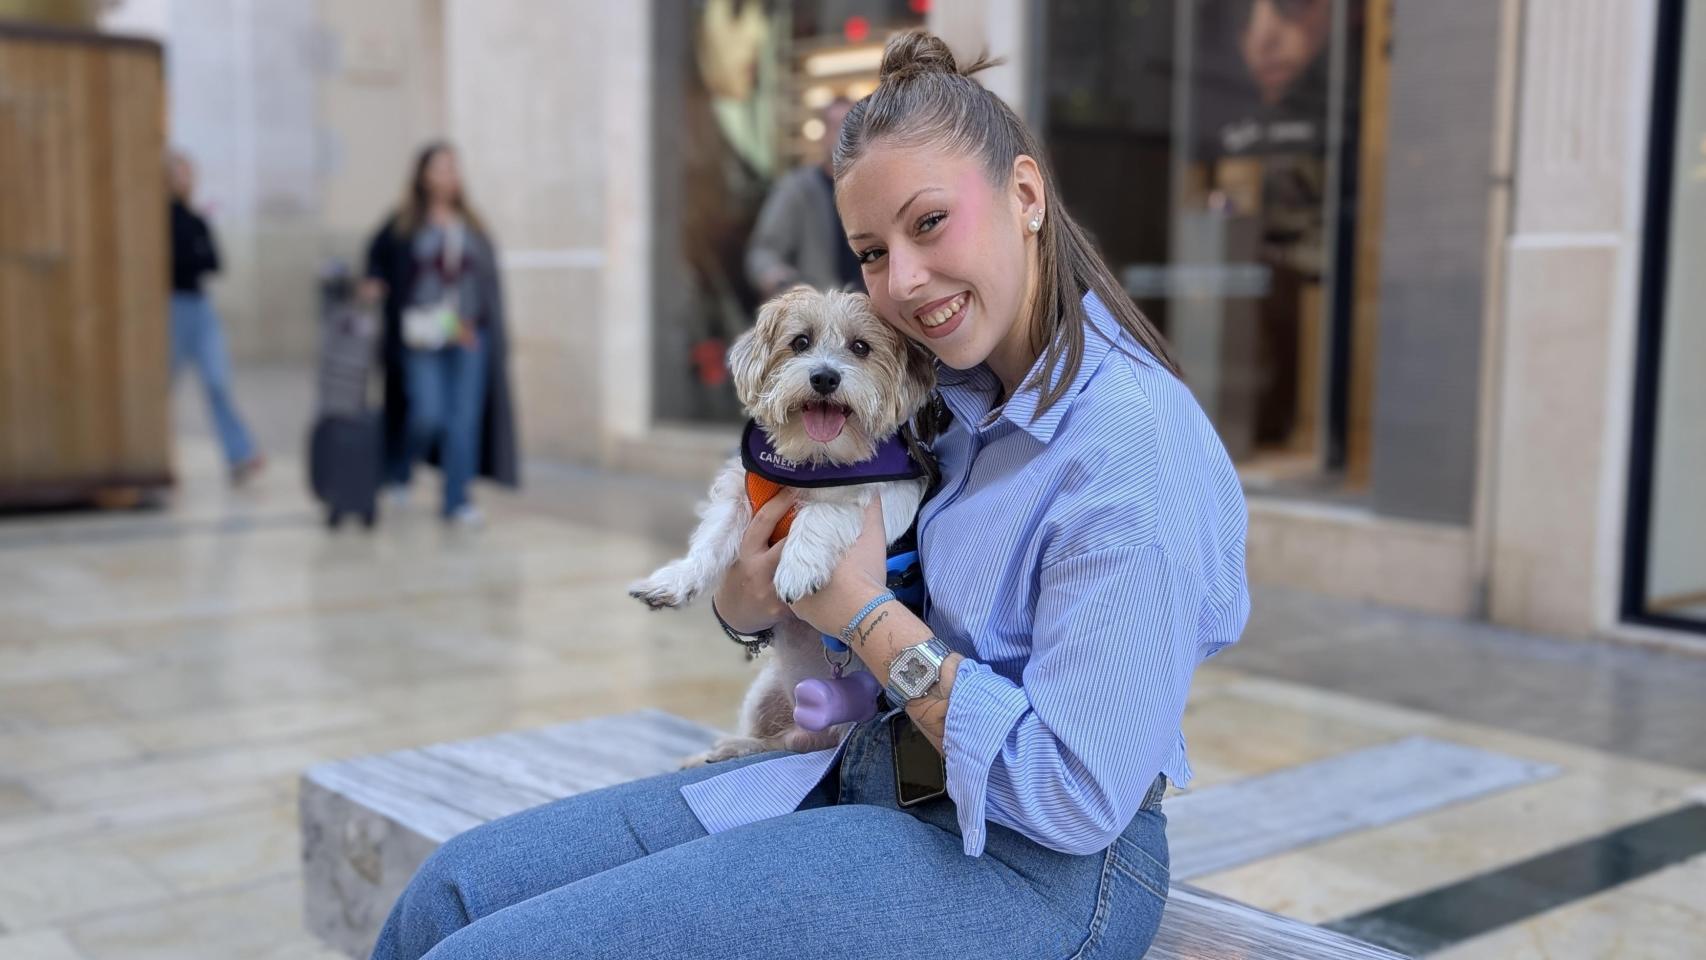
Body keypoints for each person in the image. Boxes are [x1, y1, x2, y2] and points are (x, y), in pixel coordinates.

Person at [370, 30, 1248, 960]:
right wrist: (746, 602)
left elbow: (1072, 795)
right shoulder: (941, 393)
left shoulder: (1131, 446)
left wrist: (861, 614)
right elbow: (802, 573)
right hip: (871, 769)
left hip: (1037, 864)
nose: (903, 281)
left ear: (1025, 195)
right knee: (450, 896)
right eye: (871, 250)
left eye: (929, 222)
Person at [363, 142, 520, 525]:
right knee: (427, 414)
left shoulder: (472, 225)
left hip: (467, 334)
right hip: (422, 334)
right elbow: (377, 257)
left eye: (453, 167)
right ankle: (401, 467)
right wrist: (375, 282)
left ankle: (456, 500)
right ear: (423, 176)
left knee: (463, 420)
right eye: (440, 167)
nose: (448, 174)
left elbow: (486, 284)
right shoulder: (405, 223)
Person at [167, 152, 264, 485]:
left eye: (187, 173)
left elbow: (213, 261)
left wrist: (192, 255)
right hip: (171, 306)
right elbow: (180, 260)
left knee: (217, 379)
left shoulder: (196, 220)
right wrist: (192, 255)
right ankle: (152, 452)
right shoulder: (160, 220)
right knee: (161, 385)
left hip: (200, 306)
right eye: (177, 174)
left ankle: (240, 452)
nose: (184, 180)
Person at [744, 97, 865, 297]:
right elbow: (762, 254)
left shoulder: (873, 189)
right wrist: (780, 280)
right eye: (835, 127)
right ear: (823, 134)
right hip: (818, 303)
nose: (842, 135)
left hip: (872, 306)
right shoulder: (797, 189)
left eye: (850, 127)